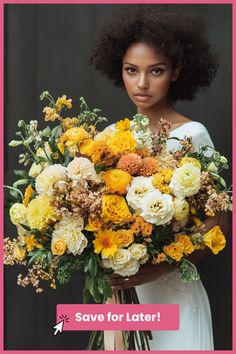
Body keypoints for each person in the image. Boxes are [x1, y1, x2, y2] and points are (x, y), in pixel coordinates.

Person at [90, 5, 228, 350]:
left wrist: (161, 267)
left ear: (177, 71)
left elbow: (218, 220)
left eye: (156, 71)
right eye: (131, 70)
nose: (141, 83)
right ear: (118, 69)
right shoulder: (108, 138)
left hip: (174, 296)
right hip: (123, 299)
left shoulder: (193, 135)